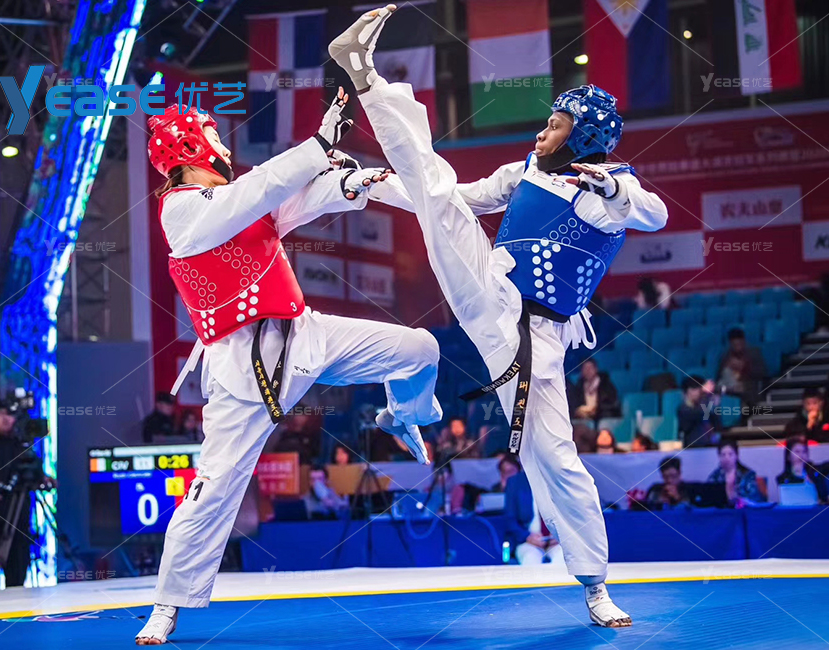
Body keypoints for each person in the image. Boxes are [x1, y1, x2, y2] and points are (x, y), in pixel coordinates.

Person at [330, 5, 669, 627]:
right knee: (438, 195)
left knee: (555, 455)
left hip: (536, 337)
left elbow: (655, 214)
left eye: (556, 125)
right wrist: (374, 184)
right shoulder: (525, 170)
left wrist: (611, 187)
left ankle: (595, 584)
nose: (542, 132)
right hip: (490, 290)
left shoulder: (609, 192)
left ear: (584, 139)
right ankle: (365, 77)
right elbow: (452, 199)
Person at [135, 93, 443, 645]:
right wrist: (318, 145)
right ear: (189, 147)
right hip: (241, 369)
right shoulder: (180, 210)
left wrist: (349, 183)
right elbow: (262, 189)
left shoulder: (239, 198)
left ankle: (402, 414)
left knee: (421, 349)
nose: (222, 143)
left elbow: (293, 200)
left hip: (304, 335)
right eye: (211, 132)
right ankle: (167, 604)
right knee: (214, 488)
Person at [0, 400, 52, 588]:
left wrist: (43, 479)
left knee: (17, 576)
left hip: (18, 521)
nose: (7, 419)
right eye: (1, 414)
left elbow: (32, 472)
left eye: (10, 415)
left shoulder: (20, 447)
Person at [503, 470, 563, 566]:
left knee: (563, 560)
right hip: (528, 542)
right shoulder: (515, 482)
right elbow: (509, 520)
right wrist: (527, 537)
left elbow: (573, 514)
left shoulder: (562, 478)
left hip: (559, 541)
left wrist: (561, 534)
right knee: (530, 559)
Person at [707, 439, 766, 506]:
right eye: (723, 455)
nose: (727, 458)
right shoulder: (715, 476)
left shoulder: (748, 475)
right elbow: (708, 497)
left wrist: (737, 499)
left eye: (730, 454)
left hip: (744, 510)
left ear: (736, 456)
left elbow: (755, 499)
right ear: (719, 457)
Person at [716, 328, 766, 407]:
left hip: (748, 386)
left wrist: (744, 367)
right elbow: (719, 376)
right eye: (734, 345)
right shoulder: (725, 356)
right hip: (728, 386)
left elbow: (762, 373)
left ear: (744, 342)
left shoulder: (754, 353)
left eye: (739, 344)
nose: (737, 347)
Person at [776, 435, 828, 502]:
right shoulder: (782, 478)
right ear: (788, 456)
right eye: (797, 452)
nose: (801, 456)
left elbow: (823, 497)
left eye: (804, 452)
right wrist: (799, 475)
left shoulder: (816, 472)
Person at [677, 376, 721, 448]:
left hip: (709, 446)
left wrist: (715, 405)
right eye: (694, 389)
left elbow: (717, 425)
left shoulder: (704, 407)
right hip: (692, 448)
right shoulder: (683, 409)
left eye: (699, 389)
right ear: (687, 391)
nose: (698, 392)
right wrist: (706, 395)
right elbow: (698, 415)